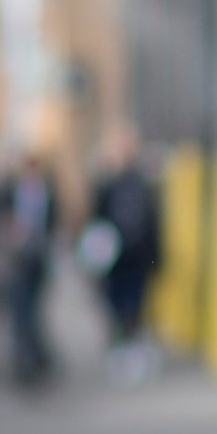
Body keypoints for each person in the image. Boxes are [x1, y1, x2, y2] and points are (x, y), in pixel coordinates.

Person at [89, 124, 161, 382]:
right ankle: (122, 352)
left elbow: (153, 222)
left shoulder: (142, 183)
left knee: (135, 308)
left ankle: (132, 354)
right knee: (118, 306)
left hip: (137, 257)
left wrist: (157, 258)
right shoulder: (107, 184)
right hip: (115, 259)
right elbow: (97, 220)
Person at [0, 151, 57, 388]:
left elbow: (54, 222)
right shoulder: (12, 192)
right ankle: (27, 365)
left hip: (38, 260)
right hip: (18, 261)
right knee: (22, 314)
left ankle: (37, 361)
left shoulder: (47, 193)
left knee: (34, 312)